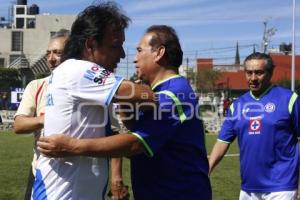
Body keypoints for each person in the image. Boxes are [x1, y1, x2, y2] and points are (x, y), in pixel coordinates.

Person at [37, 25, 212, 200]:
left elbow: (135, 144)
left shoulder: (175, 94)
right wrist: (124, 102)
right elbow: (138, 130)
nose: (133, 59)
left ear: (159, 53)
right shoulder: (157, 92)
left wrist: (73, 146)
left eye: (139, 51)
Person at [32, 2, 155, 200]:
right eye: (115, 46)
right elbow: (146, 96)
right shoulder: (78, 70)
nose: (122, 54)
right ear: (90, 45)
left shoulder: (77, 75)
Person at [209, 52, 300, 200]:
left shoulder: (289, 99)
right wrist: (206, 170)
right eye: (249, 73)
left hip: (282, 187)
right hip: (248, 189)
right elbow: (222, 142)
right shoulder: (237, 106)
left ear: (270, 73)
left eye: (259, 73)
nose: (253, 78)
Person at [13, 29, 69, 200]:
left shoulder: (87, 87)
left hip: (74, 176)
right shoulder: (36, 86)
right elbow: (19, 125)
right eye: (48, 53)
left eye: (57, 53)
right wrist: (48, 119)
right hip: (40, 172)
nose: (51, 59)